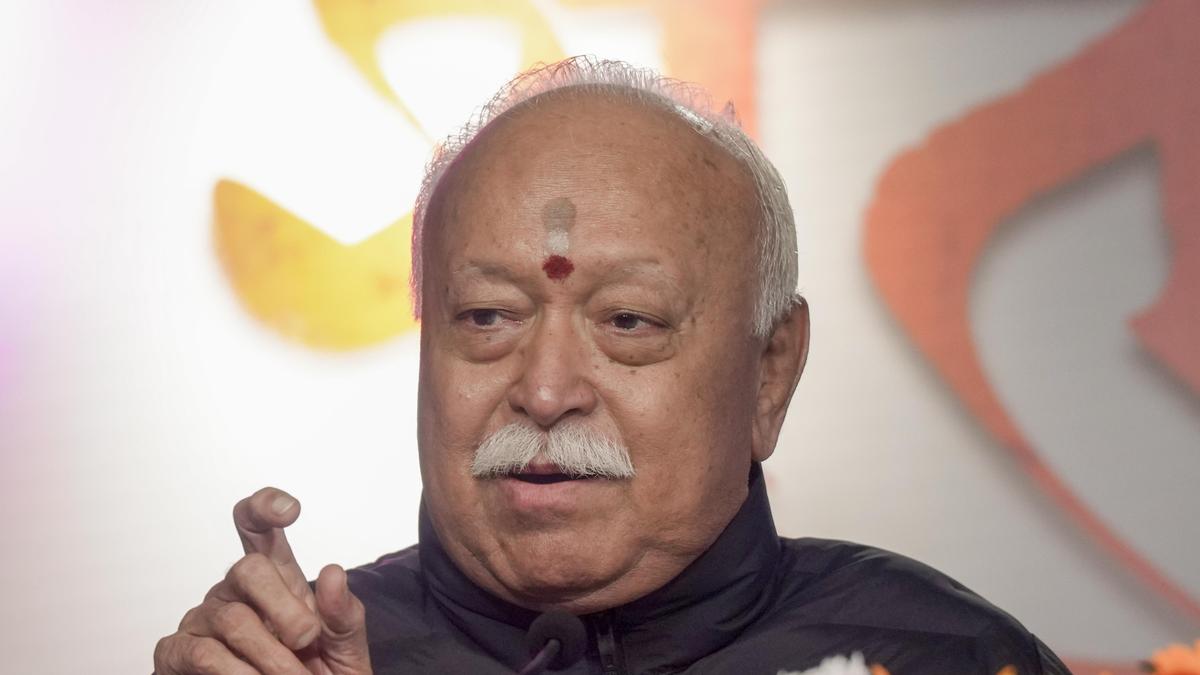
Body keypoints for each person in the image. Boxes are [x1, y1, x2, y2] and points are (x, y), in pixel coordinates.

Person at [153, 57, 1068, 675]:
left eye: (628, 321)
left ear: (770, 371)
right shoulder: (304, 658)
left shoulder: (936, 655)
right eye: (487, 316)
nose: (546, 391)